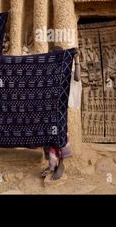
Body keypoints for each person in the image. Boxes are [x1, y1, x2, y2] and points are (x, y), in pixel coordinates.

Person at [41, 46, 80, 181]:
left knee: (60, 136)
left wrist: (76, 59)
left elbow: (77, 78)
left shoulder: (65, 71)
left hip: (60, 111)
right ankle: (51, 165)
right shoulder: (47, 72)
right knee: (47, 138)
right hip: (47, 110)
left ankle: (61, 165)